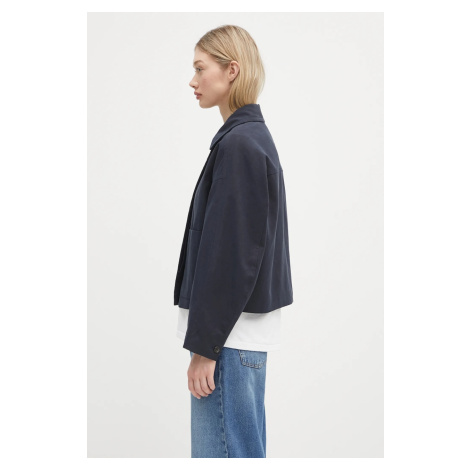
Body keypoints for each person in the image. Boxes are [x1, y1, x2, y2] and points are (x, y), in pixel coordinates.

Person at [173, 25, 294, 458]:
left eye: (199, 68)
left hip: (226, 341)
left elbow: (232, 256)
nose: (192, 81)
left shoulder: (240, 145)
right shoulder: (247, 140)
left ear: (232, 70)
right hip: (234, 339)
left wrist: (205, 347)